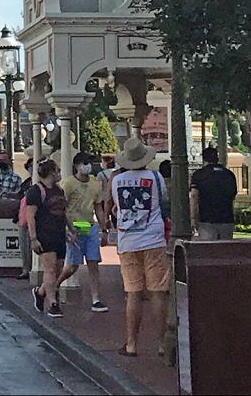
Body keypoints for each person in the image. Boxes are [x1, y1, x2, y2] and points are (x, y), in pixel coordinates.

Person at [110, 137, 169, 357]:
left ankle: (131, 343)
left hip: (128, 241)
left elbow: (116, 205)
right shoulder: (156, 177)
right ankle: (162, 343)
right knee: (158, 292)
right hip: (153, 239)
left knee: (133, 293)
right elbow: (164, 202)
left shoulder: (117, 180)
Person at [55, 153, 108, 312]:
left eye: (89, 163)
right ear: (77, 166)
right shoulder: (69, 184)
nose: (88, 166)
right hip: (74, 227)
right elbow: (61, 206)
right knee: (72, 266)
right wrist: (66, 229)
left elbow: (98, 207)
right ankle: (55, 286)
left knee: (93, 263)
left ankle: (96, 299)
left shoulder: (95, 184)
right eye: (85, 163)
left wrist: (104, 229)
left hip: (89, 226)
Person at [26, 158, 68, 318]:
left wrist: (70, 230)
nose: (59, 174)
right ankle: (53, 303)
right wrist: (33, 238)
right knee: (50, 269)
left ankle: (41, 291)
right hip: (45, 234)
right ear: (51, 172)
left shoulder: (58, 190)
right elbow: (30, 215)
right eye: (57, 170)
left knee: (59, 269)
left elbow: (63, 212)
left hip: (59, 233)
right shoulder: (36, 191)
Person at [190, 146, 238, 241]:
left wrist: (193, 218)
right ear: (217, 158)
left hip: (206, 220)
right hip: (227, 219)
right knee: (225, 250)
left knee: (209, 251)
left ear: (204, 159)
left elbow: (194, 197)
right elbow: (233, 196)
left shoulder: (199, 175)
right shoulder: (229, 174)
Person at [15, 157, 34, 280]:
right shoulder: (26, 183)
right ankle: (25, 269)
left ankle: (34, 269)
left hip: (37, 219)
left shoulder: (41, 185)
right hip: (23, 218)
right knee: (24, 245)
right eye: (31, 167)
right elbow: (19, 196)